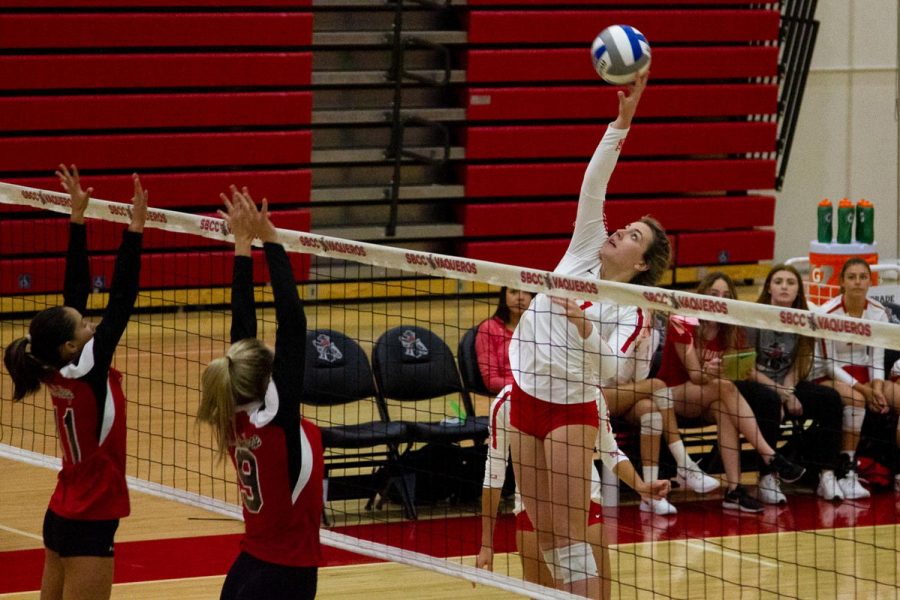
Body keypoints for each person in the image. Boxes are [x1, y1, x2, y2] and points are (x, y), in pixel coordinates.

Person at [507, 73, 669, 596]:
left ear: (642, 264)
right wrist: (621, 124)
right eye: (625, 226)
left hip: (571, 408)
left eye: (633, 237)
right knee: (546, 531)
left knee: (572, 535)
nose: (620, 230)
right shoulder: (585, 247)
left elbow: (609, 374)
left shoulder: (633, 310)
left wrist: (580, 323)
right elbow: (593, 184)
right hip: (524, 395)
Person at [2, 165, 147, 600]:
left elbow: (74, 295)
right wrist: (134, 229)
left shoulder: (53, 366)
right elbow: (121, 299)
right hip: (89, 517)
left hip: (63, 509)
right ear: (70, 345)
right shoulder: (87, 369)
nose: (91, 325)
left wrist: (78, 219)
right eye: (84, 325)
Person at [197, 187, 324, 600]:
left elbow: (243, 329)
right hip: (284, 576)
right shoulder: (276, 418)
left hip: (248, 568)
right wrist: (270, 239)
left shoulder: (232, 412)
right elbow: (292, 323)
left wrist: (241, 245)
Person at [656, 272, 806, 513]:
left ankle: (734, 491)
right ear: (702, 295)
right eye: (713, 294)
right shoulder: (682, 319)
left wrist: (731, 371)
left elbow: (738, 371)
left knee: (725, 408)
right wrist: (712, 371)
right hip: (670, 395)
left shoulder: (730, 328)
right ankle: (770, 455)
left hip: (709, 396)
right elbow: (695, 375)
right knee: (725, 388)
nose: (719, 300)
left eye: (725, 296)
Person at [476, 386, 611, 600]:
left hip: (584, 506)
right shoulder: (507, 401)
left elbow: (611, 450)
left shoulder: (588, 389)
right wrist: (486, 543)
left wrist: (641, 485)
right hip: (534, 512)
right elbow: (494, 473)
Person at [602, 305, 720, 516]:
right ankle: (685, 464)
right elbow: (608, 370)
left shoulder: (650, 334)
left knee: (651, 412)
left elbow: (638, 378)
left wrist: (643, 344)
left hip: (626, 395)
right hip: (597, 394)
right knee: (658, 385)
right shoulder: (608, 320)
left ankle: (651, 496)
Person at [746, 264, 845, 501]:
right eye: (778, 281)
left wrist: (789, 391)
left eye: (790, 283)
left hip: (788, 383)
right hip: (757, 382)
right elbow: (746, 368)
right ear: (769, 287)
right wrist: (780, 392)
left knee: (830, 399)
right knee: (768, 402)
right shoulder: (752, 315)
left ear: (798, 291)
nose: (784, 286)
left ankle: (826, 474)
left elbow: (801, 361)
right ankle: (767, 477)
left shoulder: (804, 318)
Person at [811, 258, 893, 499]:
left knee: (896, 396)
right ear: (842, 282)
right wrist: (865, 391)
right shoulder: (828, 313)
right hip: (826, 374)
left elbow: (876, 358)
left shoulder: (878, 313)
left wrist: (877, 386)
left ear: (870, 281)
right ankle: (847, 471)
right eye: (852, 277)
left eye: (863, 277)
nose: (858, 282)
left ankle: (894, 468)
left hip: (864, 374)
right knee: (856, 400)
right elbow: (829, 363)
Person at [476, 287, 534, 395]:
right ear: (504, 296)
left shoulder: (540, 328)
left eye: (526, 292)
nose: (520, 297)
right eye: (513, 292)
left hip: (539, 394)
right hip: (509, 395)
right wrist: (529, 389)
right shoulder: (489, 329)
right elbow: (491, 381)